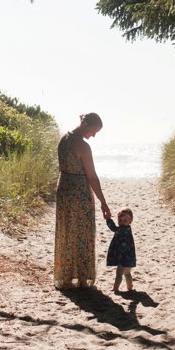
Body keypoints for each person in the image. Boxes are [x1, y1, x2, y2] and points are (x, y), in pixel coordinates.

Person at [54, 112, 111, 289]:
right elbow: (92, 177)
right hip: (79, 191)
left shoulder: (64, 139)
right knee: (83, 233)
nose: (93, 136)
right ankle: (82, 277)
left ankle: (64, 276)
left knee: (66, 232)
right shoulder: (83, 146)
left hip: (64, 187)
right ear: (85, 124)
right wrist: (103, 201)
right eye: (93, 131)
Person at [104, 207, 137, 293]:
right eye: (120, 220)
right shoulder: (128, 228)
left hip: (123, 257)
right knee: (127, 273)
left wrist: (108, 219)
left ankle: (115, 288)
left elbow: (113, 228)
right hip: (129, 256)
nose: (122, 223)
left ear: (130, 221)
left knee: (119, 274)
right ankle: (130, 287)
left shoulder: (122, 229)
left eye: (124, 221)